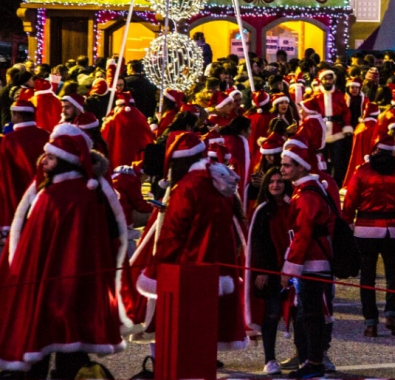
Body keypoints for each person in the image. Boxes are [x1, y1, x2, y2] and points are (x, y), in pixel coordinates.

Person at [0, 124, 130, 378]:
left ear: (63, 161)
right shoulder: (90, 192)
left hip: (48, 281)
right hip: (81, 281)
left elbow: (31, 239)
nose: (44, 161)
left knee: (41, 337)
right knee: (71, 341)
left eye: (49, 157)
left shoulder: (54, 196)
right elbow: (115, 233)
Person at [134, 131, 248, 353]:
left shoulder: (188, 187)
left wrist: (156, 270)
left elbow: (173, 234)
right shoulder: (218, 182)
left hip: (186, 272)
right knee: (204, 340)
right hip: (216, 269)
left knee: (182, 341)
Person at [342, 137, 395, 337]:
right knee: (394, 276)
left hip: (365, 229)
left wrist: (348, 224)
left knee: (367, 278)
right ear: (394, 151)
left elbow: (350, 201)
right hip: (393, 229)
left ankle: (370, 322)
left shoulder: (362, 171)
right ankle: (392, 314)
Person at [280, 145, 335, 379]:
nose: (282, 169)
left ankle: (314, 362)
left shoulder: (308, 196)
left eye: (286, 165)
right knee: (309, 312)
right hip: (313, 260)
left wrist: (289, 268)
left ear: (300, 166)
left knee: (312, 314)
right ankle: (313, 360)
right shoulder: (306, 191)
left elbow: (302, 235)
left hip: (314, 262)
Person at [245, 167, 292, 376]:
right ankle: (270, 358)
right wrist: (262, 271)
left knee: (298, 315)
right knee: (272, 314)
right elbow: (257, 242)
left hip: (293, 269)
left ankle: (305, 355)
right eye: (271, 181)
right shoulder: (262, 210)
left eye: (279, 181)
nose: (275, 185)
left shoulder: (293, 205)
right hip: (271, 270)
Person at [0, 100, 49, 243]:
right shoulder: (46, 135)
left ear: (16, 115)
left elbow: (5, 175)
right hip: (42, 192)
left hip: (18, 192)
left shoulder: (9, 140)